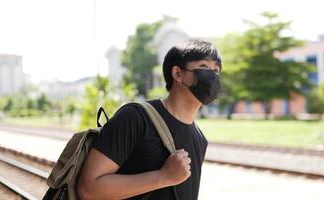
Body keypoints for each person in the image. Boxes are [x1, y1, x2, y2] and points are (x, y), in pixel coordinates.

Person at [77, 39, 222, 200]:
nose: (212, 76)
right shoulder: (135, 118)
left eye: (216, 70)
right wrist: (163, 177)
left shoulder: (199, 138)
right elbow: (88, 189)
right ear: (178, 73)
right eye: (204, 67)